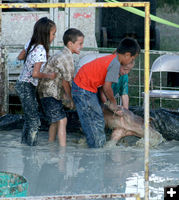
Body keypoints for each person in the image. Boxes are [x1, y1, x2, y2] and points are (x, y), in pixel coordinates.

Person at [72, 37, 141, 148]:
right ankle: (96, 150)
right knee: (94, 121)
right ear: (127, 55)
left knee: (97, 119)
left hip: (83, 86)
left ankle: (95, 146)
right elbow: (107, 87)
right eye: (133, 58)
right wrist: (113, 104)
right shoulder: (115, 64)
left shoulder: (114, 58)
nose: (132, 61)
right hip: (83, 89)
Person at [38, 28, 84, 147]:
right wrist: (70, 99)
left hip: (45, 93)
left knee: (55, 122)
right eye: (80, 44)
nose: (82, 47)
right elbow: (66, 82)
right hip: (50, 93)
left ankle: (51, 146)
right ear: (70, 44)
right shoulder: (66, 57)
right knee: (62, 120)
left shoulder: (62, 53)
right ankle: (62, 152)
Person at [15, 17, 57, 146]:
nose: (54, 37)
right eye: (53, 34)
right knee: (34, 121)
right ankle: (31, 150)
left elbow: (20, 56)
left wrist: (33, 60)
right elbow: (35, 74)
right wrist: (49, 75)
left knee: (29, 118)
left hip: (21, 84)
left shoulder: (32, 44)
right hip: (27, 86)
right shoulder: (41, 50)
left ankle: (24, 145)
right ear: (45, 34)